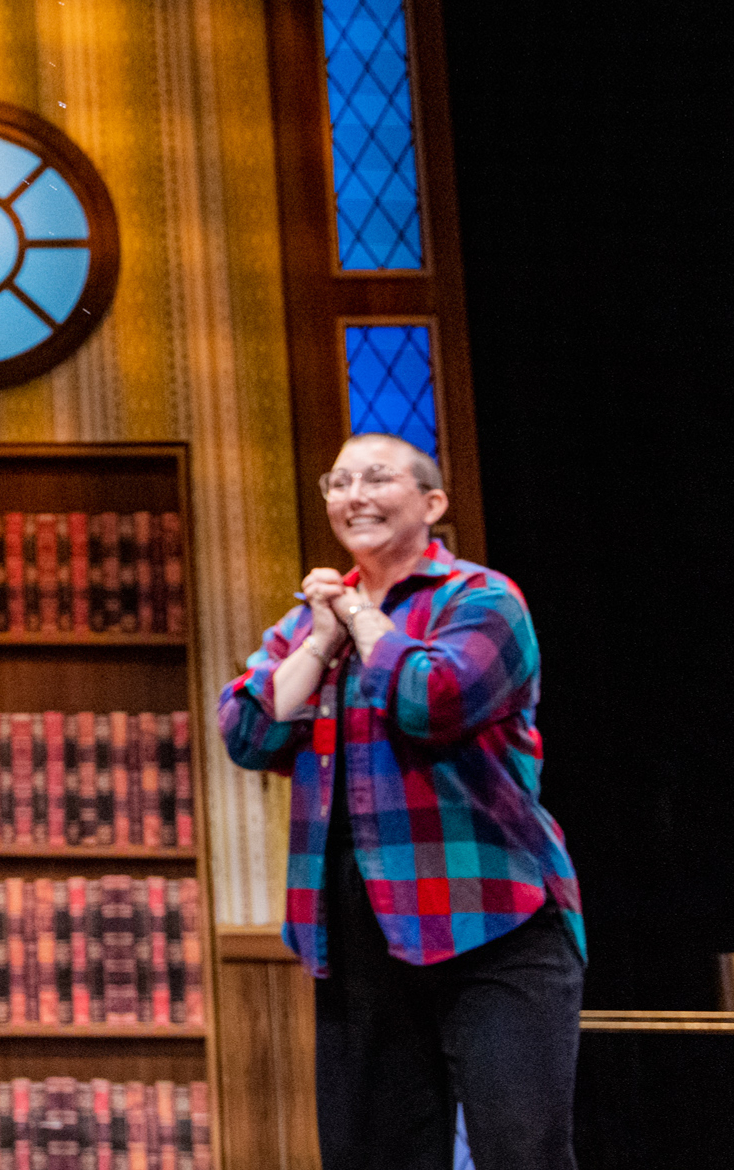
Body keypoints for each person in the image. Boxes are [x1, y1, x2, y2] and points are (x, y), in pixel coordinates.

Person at [217, 434, 584, 1170]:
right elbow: (247, 732)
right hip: (358, 930)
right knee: (373, 1153)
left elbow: (431, 699)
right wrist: (320, 641)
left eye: (375, 477)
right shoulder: (305, 623)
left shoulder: (480, 599)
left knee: (520, 1150)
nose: (352, 494)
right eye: (338, 480)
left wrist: (358, 620)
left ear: (431, 502)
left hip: (489, 915)